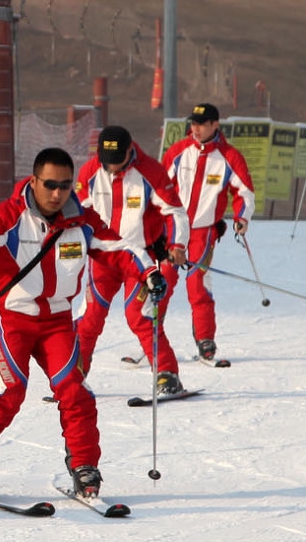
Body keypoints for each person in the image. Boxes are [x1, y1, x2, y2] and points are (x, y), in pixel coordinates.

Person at [0, 146, 135, 500]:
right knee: (9, 391)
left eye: (65, 185)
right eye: (49, 184)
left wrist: (149, 272)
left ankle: (84, 466)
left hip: (57, 321)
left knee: (74, 391)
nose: (57, 193)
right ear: (33, 181)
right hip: (12, 318)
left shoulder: (83, 221)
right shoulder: (10, 214)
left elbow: (119, 250)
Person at [72, 124, 188, 397]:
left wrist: (177, 244)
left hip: (141, 260)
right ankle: (72, 378)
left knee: (140, 316)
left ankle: (167, 374)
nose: (110, 167)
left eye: (116, 161)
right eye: (105, 161)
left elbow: (175, 212)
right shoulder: (90, 172)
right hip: (103, 257)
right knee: (88, 317)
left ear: (130, 151)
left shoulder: (151, 171)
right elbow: (76, 212)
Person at [162, 103, 255, 363]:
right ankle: (150, 339)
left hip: (204, 231)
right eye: (193, 123)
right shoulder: (179, 152)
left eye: (202, 124)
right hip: (174, 229)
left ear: (215, 125)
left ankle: (205, 341)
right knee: (161, 281)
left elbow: (244, 193)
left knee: (197, 284)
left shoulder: (229, 156)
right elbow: (159, 187)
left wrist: (241, 217)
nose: (196, 129)